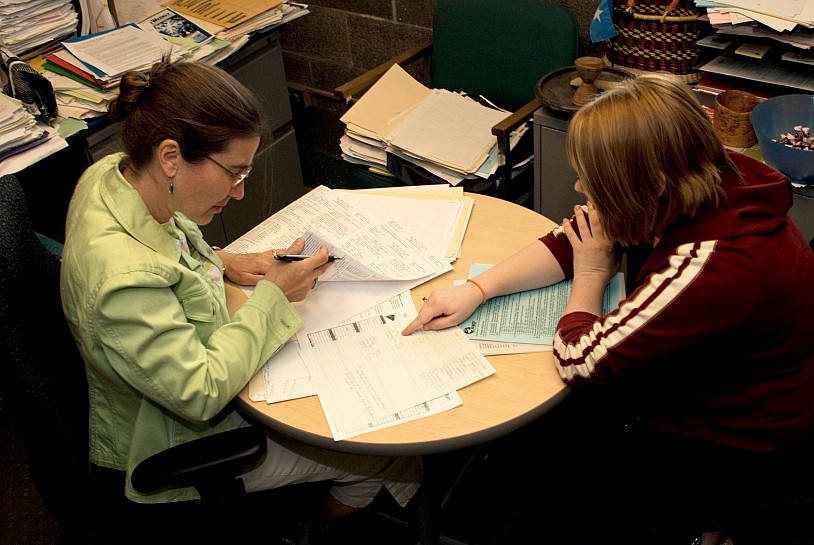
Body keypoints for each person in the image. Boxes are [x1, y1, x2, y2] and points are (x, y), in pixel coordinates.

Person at [403, 73, 814, 544]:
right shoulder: (702, 174)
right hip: (719, 378)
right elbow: (579, 236)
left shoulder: (718, 266)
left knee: (559, 476)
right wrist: (476, 289)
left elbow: (580, 358)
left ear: (650, 184)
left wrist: (592, 274)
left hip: (736, 438)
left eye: (594, 181)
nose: (579, 187)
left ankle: (705, 523)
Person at [60, 60, 422, 520]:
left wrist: (221, 260)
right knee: (386, 451)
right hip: (178, 440)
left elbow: (163, 246)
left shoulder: (114, 176)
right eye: (233, 172)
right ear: (170, 157)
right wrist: (273, 295)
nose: (238, 193)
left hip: (172, 390)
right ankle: (306, 525)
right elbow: (202, 391)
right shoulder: (123, 279)